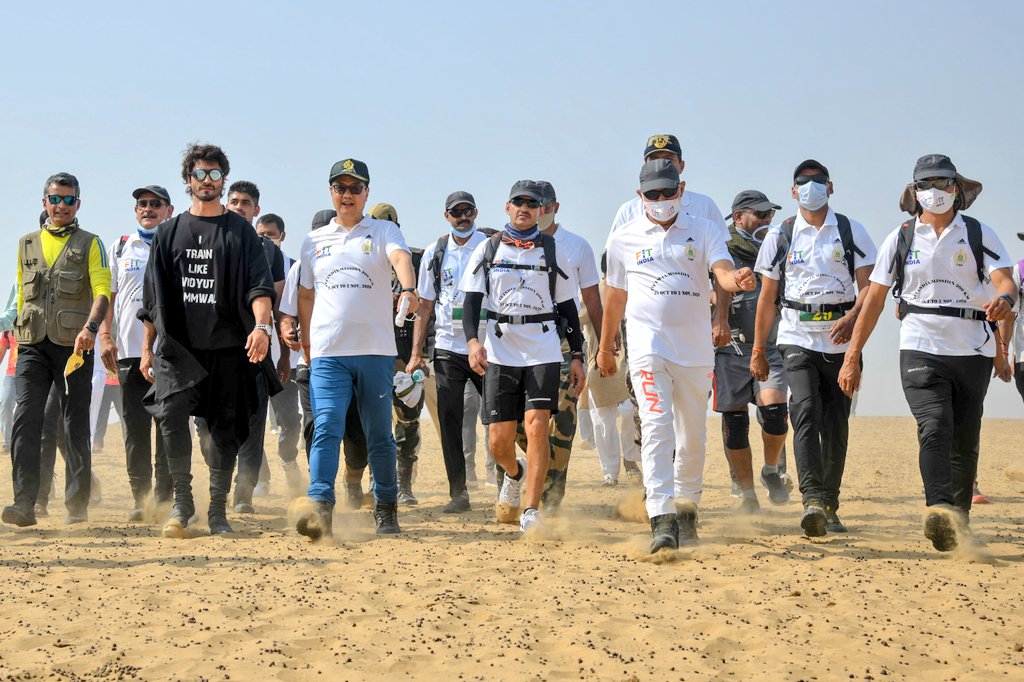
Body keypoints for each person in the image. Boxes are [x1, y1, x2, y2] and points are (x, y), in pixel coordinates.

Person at [837, 154, 1016, 552]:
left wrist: (1004, 300)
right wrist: (852, 356)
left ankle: (960, 520)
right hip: (920, 345)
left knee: (964, 437)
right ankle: (938, 509)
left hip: (973, 349)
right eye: (927, 184)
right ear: (914, 191)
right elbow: (875, 302)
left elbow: (1005, 281)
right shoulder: (899, 237)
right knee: (934, 424)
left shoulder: (978, 234)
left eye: (943, 183)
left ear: (957, 188)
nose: (935, 191)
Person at [600, 159, 756, 553]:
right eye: (652, 194)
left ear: (681, 190)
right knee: (655, 426)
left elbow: (720, 271)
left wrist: (734, 280)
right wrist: (605, 346)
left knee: (693, 438)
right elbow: (615, 296)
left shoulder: (704, 230)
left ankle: (687, 509)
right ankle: (661, 518)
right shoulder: (623, 238)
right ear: (640, 196)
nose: (661, 200)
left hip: (695, 349)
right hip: (648, 346)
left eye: (668, 192)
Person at [140, 143, 278, 537]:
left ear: (223, 179)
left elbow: (259, 287)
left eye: (214, 174)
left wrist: (260, 327)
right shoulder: (168, 233)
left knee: (226, 428)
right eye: (199, 174)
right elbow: (153, 302)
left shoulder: (241, 233)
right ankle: (183, 502)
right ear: (188, 181)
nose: (207, 181)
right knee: (169, 415)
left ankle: (217, 509)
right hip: (178, 349)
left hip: (228, 348)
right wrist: (148, 349)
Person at [751, 159, 876, 538]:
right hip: (796, 339)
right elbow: (767, 297)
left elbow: (870, 288)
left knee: (835, 424)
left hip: (841, 342)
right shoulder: (782, 234)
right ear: (793, 192)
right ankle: (813, 501)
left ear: (830, 187)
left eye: (818, 181)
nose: (811, 187)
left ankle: (832, 504)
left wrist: (852, 317)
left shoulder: (851, 231)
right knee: (803, 412)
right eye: (803, 182)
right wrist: (759, 349)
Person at [295, 159, 418, 539]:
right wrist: (306, 343)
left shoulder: (383, 231)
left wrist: (409, 289)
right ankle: (320, 507)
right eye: (340, 187)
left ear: (367, 192)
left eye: (355, 188)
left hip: (375, 351)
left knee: (379, 433)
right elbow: (305, 295)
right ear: (331, 191)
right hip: (329, 353)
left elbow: (401, 258)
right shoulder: (314, 240)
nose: (347, 195)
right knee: (327, 428)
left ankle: (385, 508)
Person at [461, 180, 586, 533]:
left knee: (536, 429)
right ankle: (513, 475)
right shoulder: (487, 250)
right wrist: (473, 342)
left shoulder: (552, 249)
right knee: (498, 442)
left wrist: (577, 355)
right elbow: (472, 302)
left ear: (542, 210)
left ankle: (531, 510)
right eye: (518, 202)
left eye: (532, 204)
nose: (525, 208)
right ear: (507, 206)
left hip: (543, 349)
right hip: (501, 351)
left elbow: (567, 307)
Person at [3, 172, 111, 527]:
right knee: (25, 420)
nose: (61, 205)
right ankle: (24, 503)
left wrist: (91, 329)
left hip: (74, 346)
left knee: (74, 424)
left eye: (69, 199)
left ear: (78, 203)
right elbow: (21, 296)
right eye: (56, 198)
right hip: (32, 345)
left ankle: (76, 505)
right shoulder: (26, 244)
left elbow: (101, 291)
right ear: (44, 202)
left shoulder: (91, 243)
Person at [510, 181, 602, 510]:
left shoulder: (576, 246)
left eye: (544, 205)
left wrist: (603, 340)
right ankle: (537, 469)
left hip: (563, 343)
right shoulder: (509, 244)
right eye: (534, 204)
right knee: (520, 423)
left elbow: (590, 296)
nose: (540, 211)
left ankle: (552, 496)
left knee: (562, 416)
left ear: (554, 208)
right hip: (518, 346)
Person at [99, 184, 176, 520]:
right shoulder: (120, 247)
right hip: (130, 354)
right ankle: (140, 499)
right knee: (135, 430)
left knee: (168, 428)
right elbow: (108, 298)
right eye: (142, 204)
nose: (148, 209)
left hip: (169, 354)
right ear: (135, 211)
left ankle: (163, 498)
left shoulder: (177, 244)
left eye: (155, 204)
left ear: (168, 211)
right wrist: (104, 335)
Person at [408, 191, 488, 512]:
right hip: (446, 348)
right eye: (457, 212)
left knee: (497, 416)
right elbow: (425, 306)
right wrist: (417, 353)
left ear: (476, 213)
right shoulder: (434, 252)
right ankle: (459, 493)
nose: (463, 217)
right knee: (450, 419)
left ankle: (510, 479)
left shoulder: (488, 248)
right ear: (447, 216)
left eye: (468, 211)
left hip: (486, 347)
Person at [714, 191, 791, 514]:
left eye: (769, 215)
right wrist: (718, 319)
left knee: (775, 414)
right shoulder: (722, 248)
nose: (766, 220)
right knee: (735, 423)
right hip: (730, 349)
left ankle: (771, 470)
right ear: (738, 217)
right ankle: (746, 493)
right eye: (759, 214)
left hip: (770, 347)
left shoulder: (779, 248)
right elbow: (711, 287)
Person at [218, 181, 286, 511]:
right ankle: (220, 476)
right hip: (214, 348)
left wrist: (284, 350)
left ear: (255, 209)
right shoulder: (209, 239)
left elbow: (277, 299)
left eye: (246, 202)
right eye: (234, 201)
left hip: (256, 347)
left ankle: (243, 492)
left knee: (255, 423)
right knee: (209, 423)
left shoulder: (269, 251)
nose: (239, 206)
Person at [254, 213, 304, 495]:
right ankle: (261, 477)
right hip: (256, 357)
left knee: (290, 421)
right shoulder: (248, 265)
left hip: (288, 361)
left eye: (271, 234)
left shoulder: (295, 268)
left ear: (282, 236)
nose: (265, 239)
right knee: (255, 421)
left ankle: (288, 459)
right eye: (260, 233)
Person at [582, 253, 639, 485]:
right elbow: (575, 319)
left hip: (633, 364)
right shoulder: (595, 292)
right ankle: (610, 472)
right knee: (602, 421)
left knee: (628, 411)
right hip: (601, 365)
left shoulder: (637, 288)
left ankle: (631, 459)